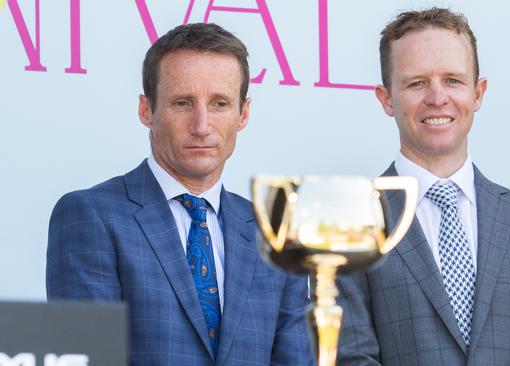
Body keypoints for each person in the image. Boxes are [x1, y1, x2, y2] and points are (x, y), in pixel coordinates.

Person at [46, 23, 313, 366]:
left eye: (219, 103)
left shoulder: (275, 230)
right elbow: (90, 358)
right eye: (182, 103)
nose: (201, 125)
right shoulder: (91, 215)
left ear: (243, 114)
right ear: (147, 110)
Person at [336, 8, 510, 365]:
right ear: (387, 99)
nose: (437, 98)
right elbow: (350, 357)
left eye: (452, 80)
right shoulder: (346, 222)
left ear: (477, 93)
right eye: (417, 83)